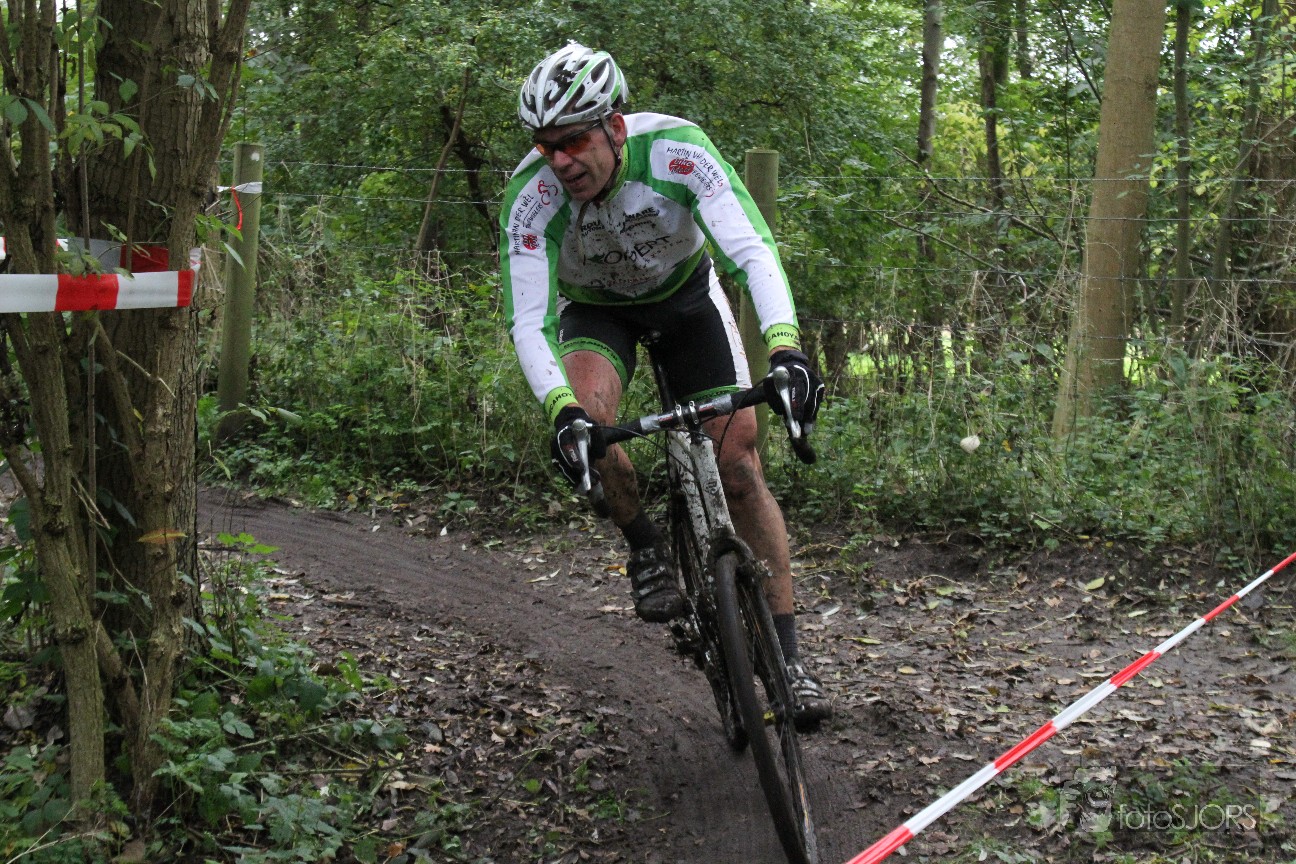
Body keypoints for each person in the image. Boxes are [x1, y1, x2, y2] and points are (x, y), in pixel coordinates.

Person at [499, 42, 831, 725]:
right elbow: (528, 321)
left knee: (738, 464)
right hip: (598, 314)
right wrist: (562, 412)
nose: (560, 161)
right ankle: (646, 544)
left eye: (574, 141)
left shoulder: (677, 150)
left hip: (687, 302)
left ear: (615, 127)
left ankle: (789, 657)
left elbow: (752, 252)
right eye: (545, 146)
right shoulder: (531, 197)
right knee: (592, 431)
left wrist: (787, 349)